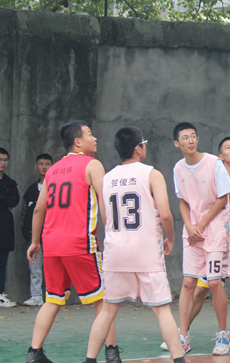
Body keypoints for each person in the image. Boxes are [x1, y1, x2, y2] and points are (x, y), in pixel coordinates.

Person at [84, 127, 185, 363]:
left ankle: (89, 359)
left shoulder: (107, 178)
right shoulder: (152, 174)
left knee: (108, 310)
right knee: (161, 309)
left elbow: (106, 218)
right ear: (139, 148)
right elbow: (166, 214)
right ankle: (179, 359)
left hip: (115, 251)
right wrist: (170, 239)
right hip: (145, 251)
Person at [25, 121, 120, 363]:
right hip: (80, 243)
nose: (94, 138)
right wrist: (113, 235)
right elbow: (106, 201)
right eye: (90, 134)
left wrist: (35, 242)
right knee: (102, 301)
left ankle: (34, 352)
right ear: (78, 141)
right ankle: (111, 352)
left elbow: (39, 209)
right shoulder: (92, 164)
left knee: (52, 299)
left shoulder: (53, 169)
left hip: (51, 244)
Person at [164, 137, 230, 351]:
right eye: (228, 147)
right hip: (217, 242)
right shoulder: (213, 176)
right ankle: (182, 332)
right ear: (220, 156)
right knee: (200, 290)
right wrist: (193, 225)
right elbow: (187, 201)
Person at [172, 122, 230, 355]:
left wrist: (201, 224)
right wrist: (189, 226)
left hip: (214, 230)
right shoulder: (178, 168)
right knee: (188, 283)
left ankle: (223, 334)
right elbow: (182, 200)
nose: (190, 141)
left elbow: (222, 198)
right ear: (176, 143)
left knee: (214, 283)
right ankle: (182, 337)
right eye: (185, 138)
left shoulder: (214, 163)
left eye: (193, 136)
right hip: (192, 234)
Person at [22, 154, 52, 307]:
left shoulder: (56, 188)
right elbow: (25, 214)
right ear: (36, 166)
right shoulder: (31, 190)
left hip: (52, 235)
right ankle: (36, 296)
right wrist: (27, 232)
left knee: (52, 268)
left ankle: (54, 296)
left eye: (47, 164)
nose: (44, 167)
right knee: (35, 268)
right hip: (35, 236)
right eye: (41, 164)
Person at [0, 147, 19, 308]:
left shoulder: (10, 183)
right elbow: (7, 202)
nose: (3, 163)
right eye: (0, 160)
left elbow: (14, 201)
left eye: (5, 160)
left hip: (4, 228)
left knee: (2, 263)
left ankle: (1, 294)